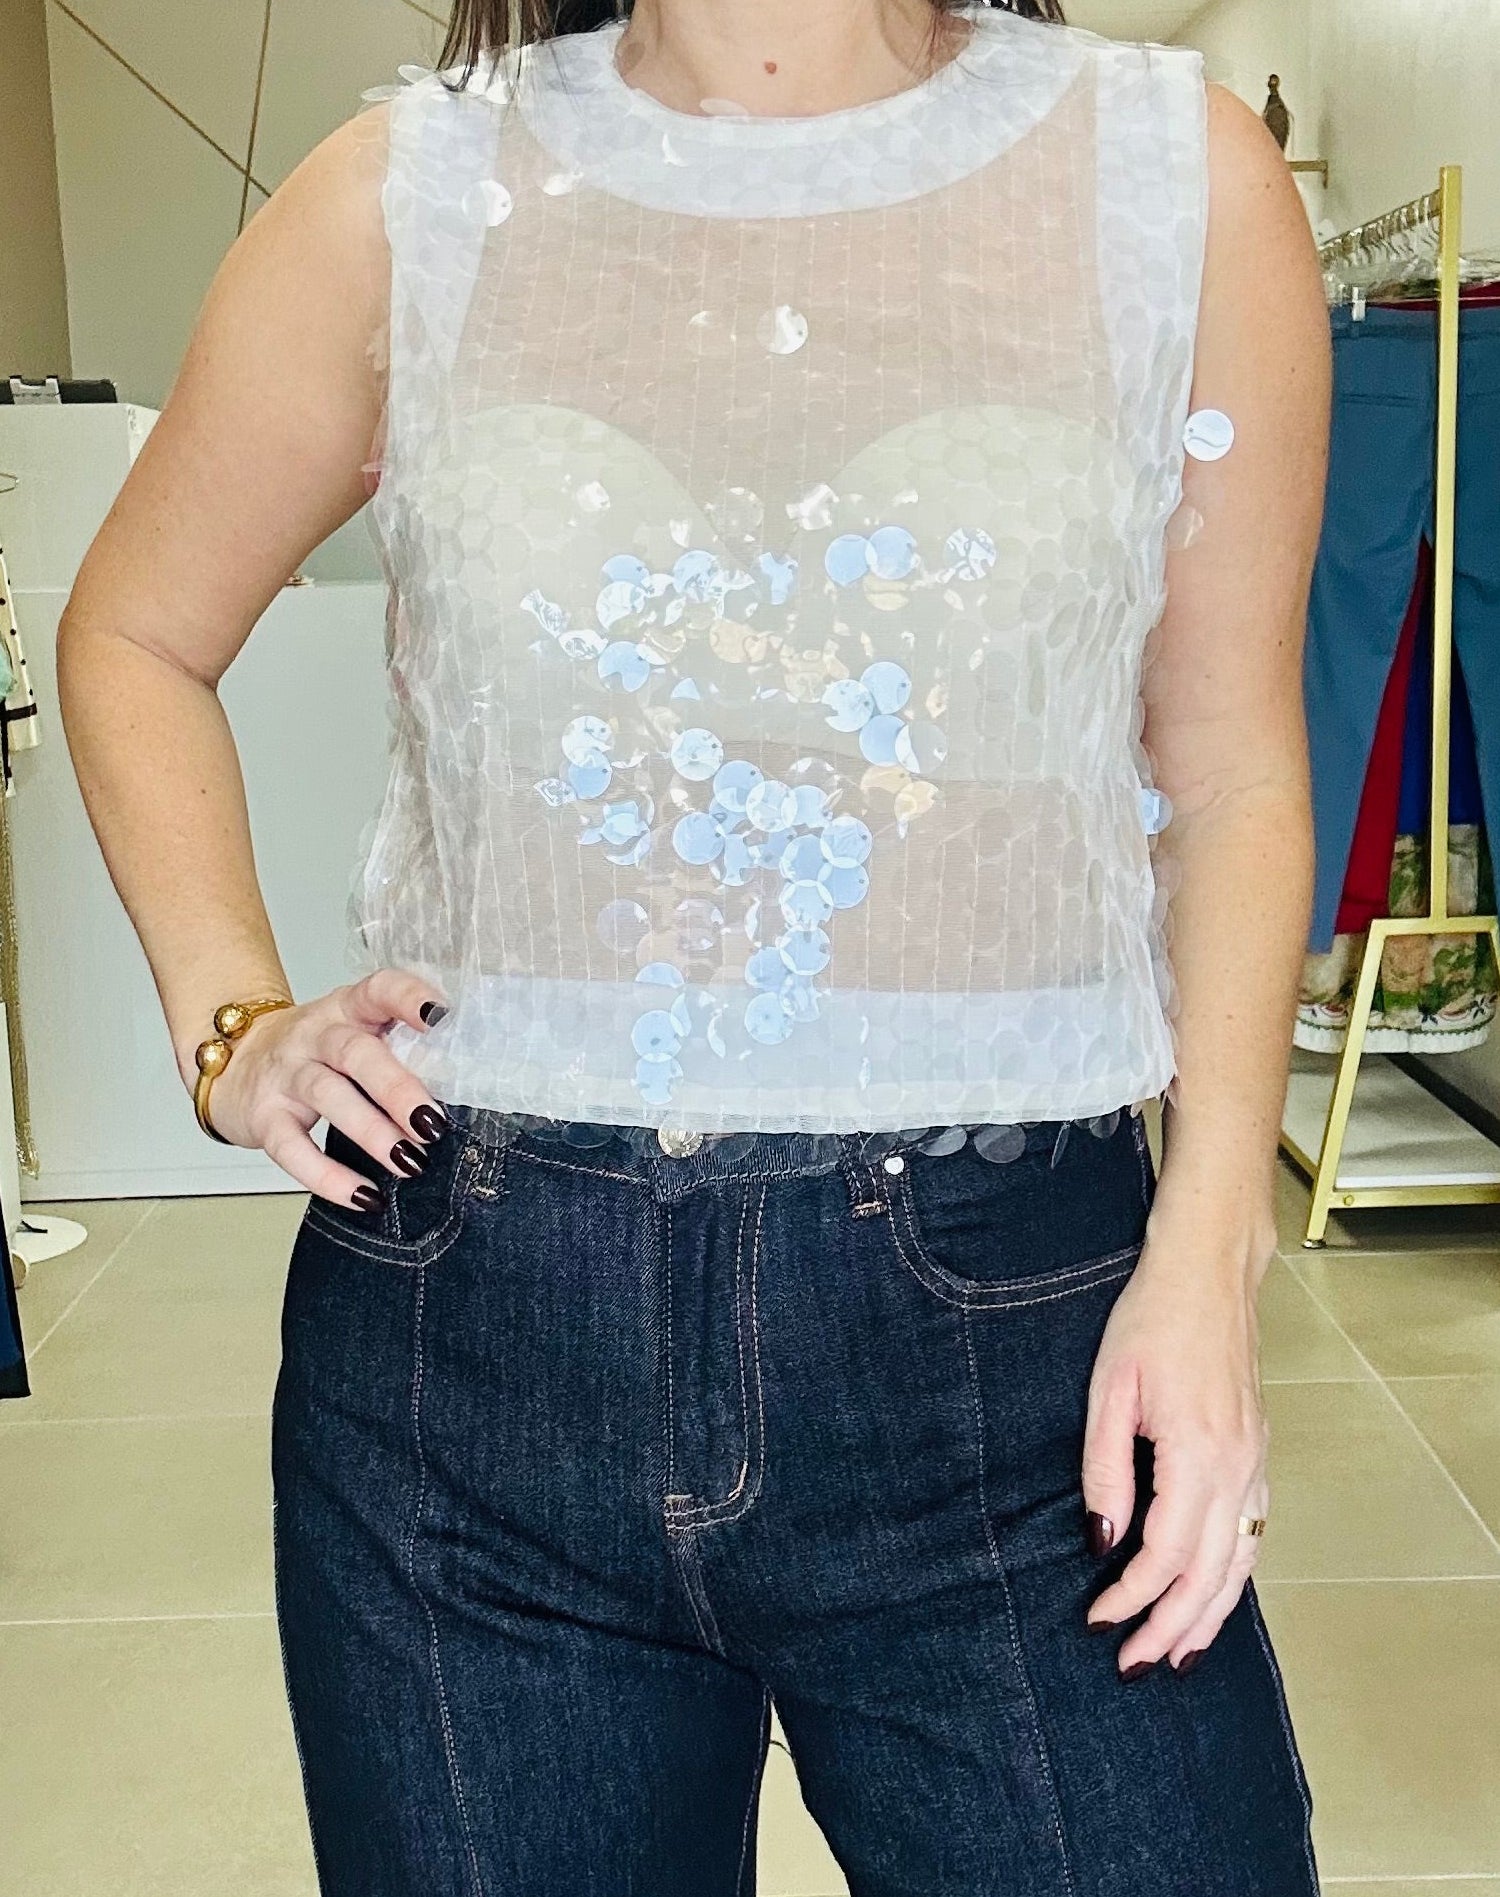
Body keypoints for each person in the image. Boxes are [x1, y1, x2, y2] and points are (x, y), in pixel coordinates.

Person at [57, 0, 1330, 1889]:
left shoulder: (1169, 179)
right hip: (469, 1348)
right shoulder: (406, 194)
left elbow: (1227, 768)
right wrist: (227, 1015)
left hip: (1015, 1352)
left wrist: (1211, 1246)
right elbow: (134, 632)